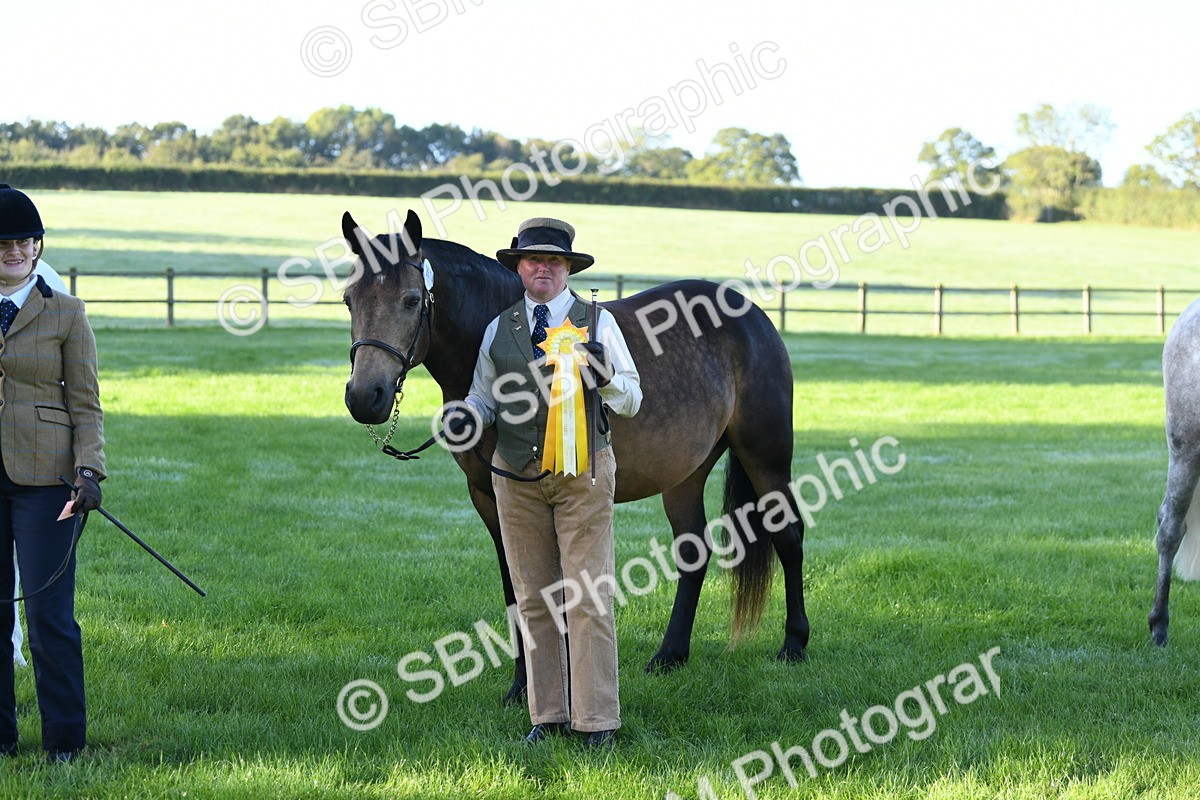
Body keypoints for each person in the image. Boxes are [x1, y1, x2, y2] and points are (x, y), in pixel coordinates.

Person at [454, 217, 641, 749]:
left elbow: (632, 397)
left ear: (567, 270)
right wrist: (465, 416)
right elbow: (484, 397)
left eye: (553, 261)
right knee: (534, 599)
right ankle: (549, 715)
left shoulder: (597, 322)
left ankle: (598, 720)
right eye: (532, 259)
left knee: (588, 598)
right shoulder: (499, 329)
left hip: (582, 476)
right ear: (517, 268)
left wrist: (602, 373)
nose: (542, 268)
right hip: (516, 480)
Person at [0, 184, 105, 763]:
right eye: (2, 244)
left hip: (46, 482)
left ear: (37, 248)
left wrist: (89, 470)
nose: (12, 251)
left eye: (22, 241)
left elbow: (86, 402)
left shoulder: (65, 310)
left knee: (47, 614)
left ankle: (64, 743)